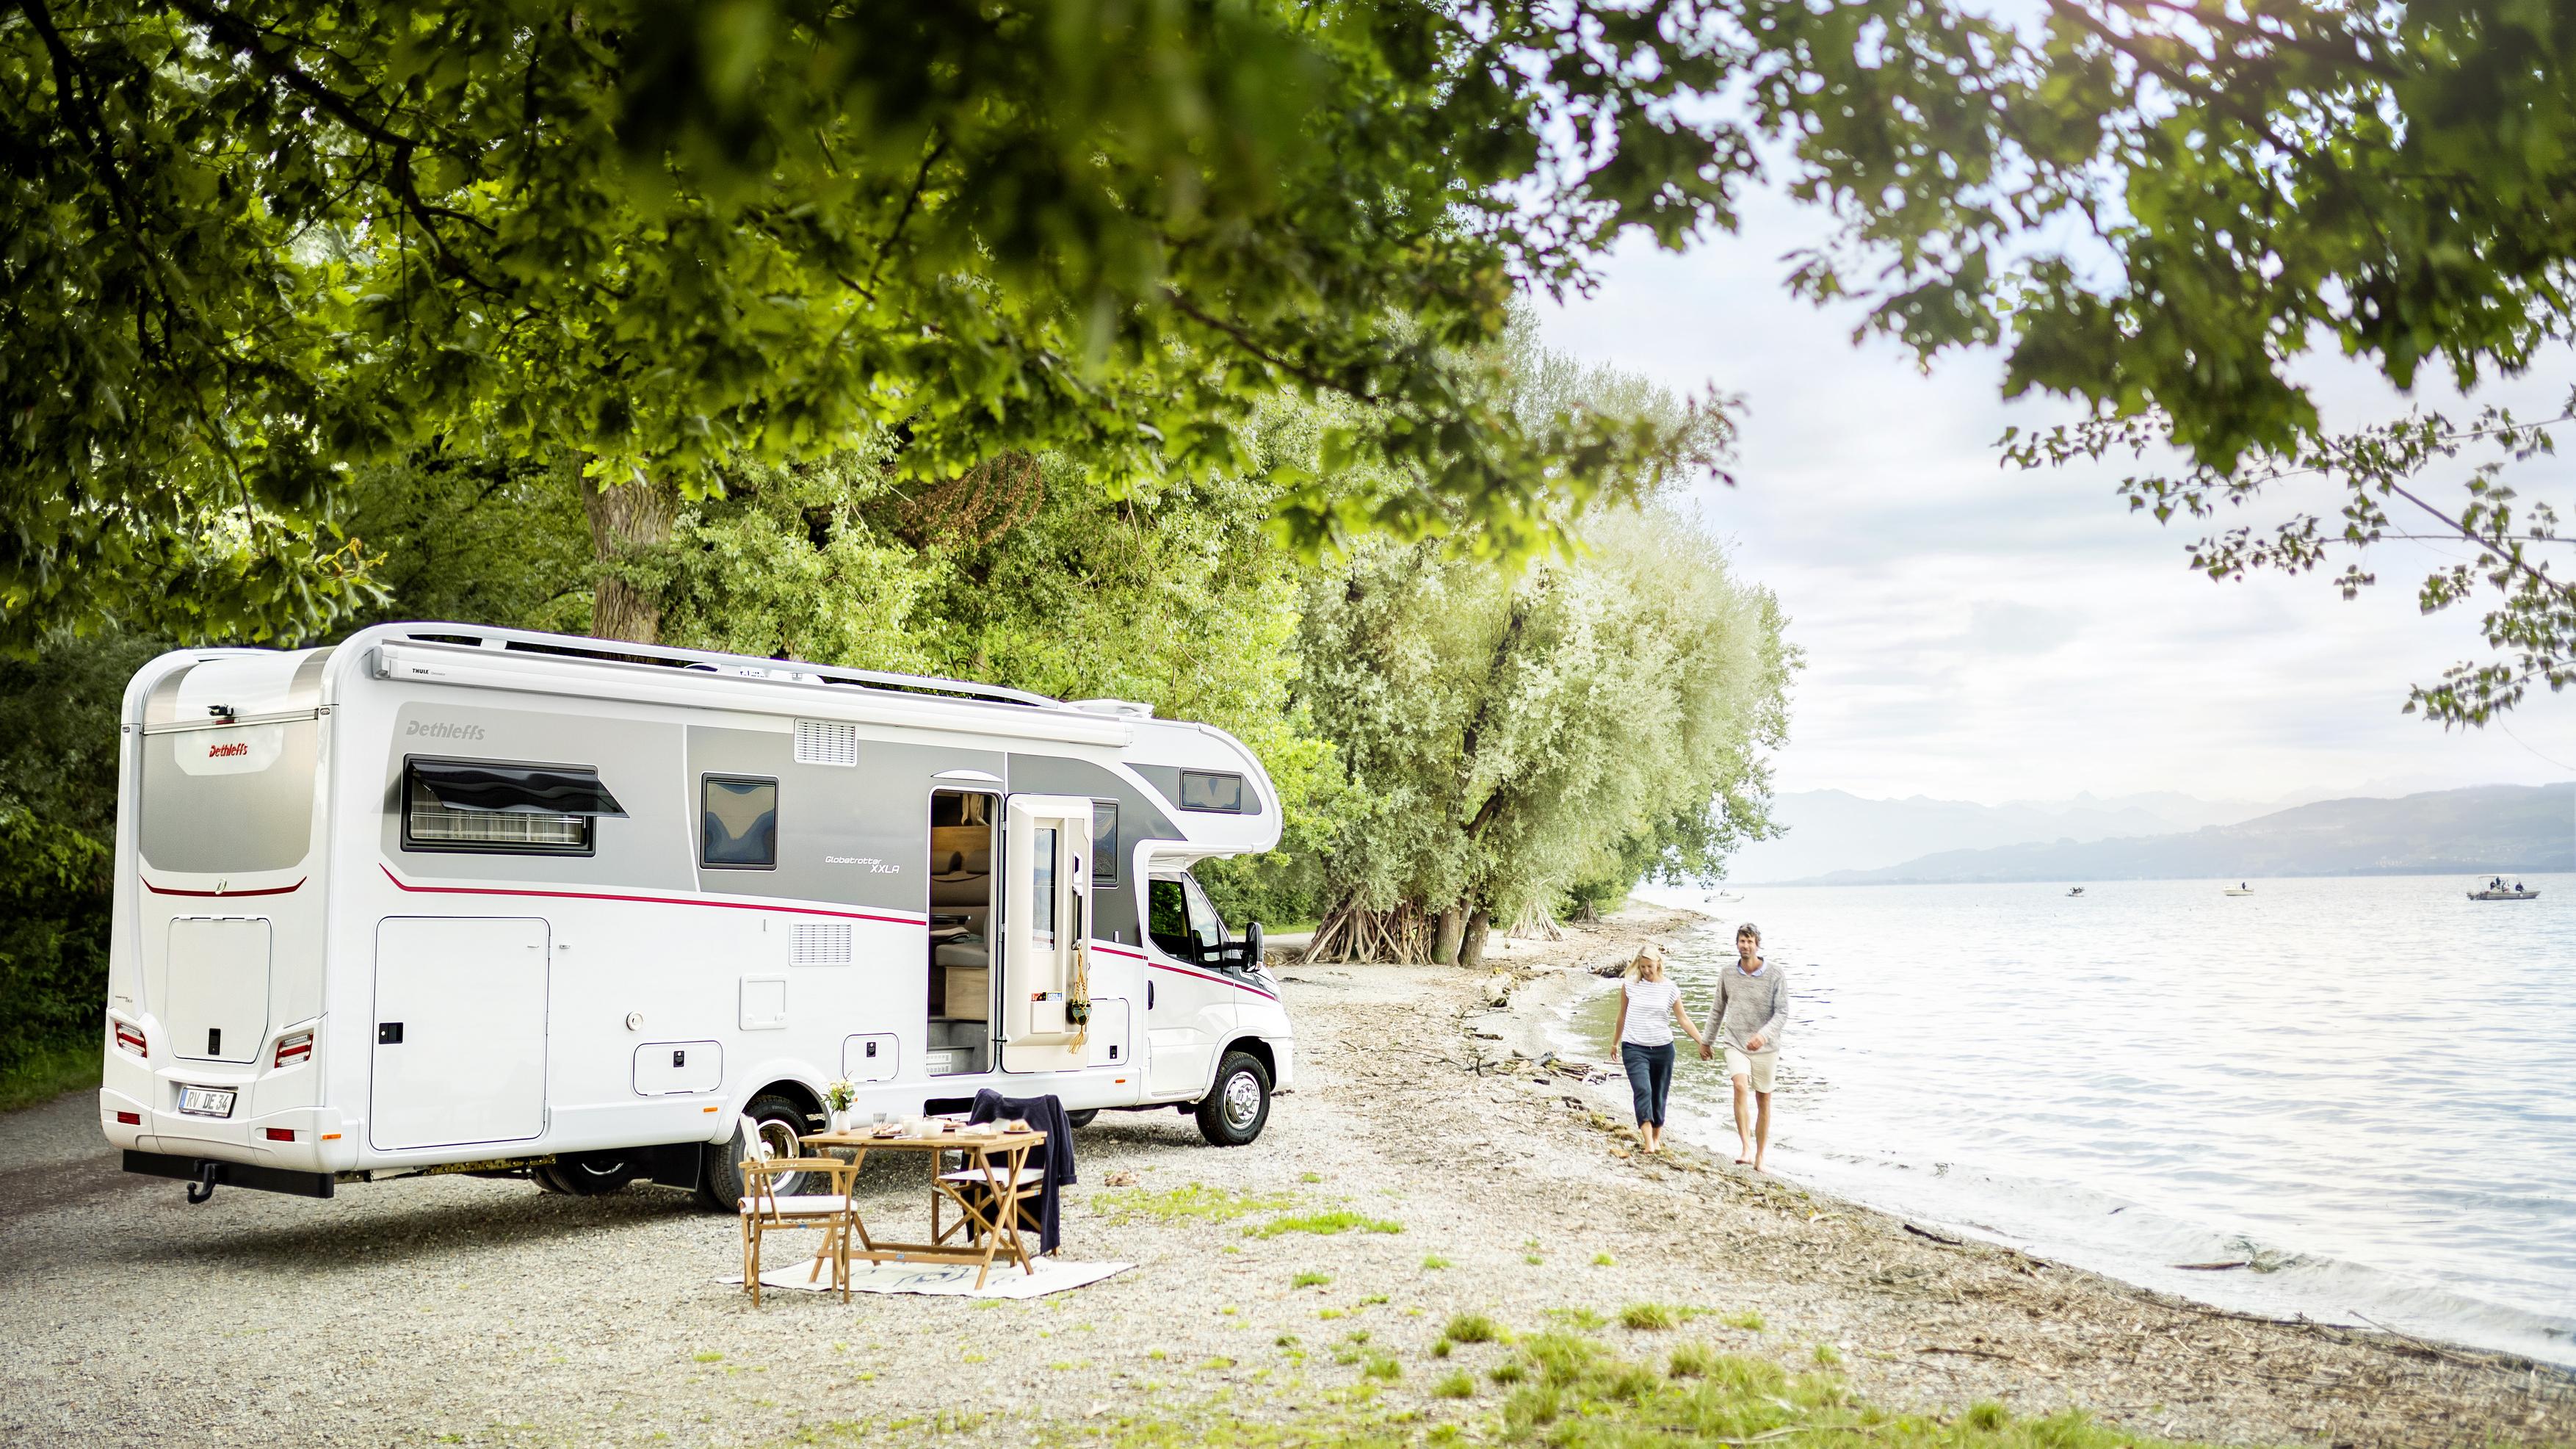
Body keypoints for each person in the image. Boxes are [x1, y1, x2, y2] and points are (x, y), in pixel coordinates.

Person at [1699, 922, 1790, 1171]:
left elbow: (1782, 1013)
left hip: (1766, 1048)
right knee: (1739, 1086)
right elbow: (1718, 1009)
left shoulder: (1776, 974)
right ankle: (1746, 1148)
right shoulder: (1727, 973)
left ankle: (1761, 1155)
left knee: (1764, 1099)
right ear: (1737, 944)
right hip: (1735, 1042)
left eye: (1750, 941)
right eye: (1742, 941)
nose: (1745, 945)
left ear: (1758, 945)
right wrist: (1707, 1041)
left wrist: (1764, 1035)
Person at [1612, 944, 1704, 1154]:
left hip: (1663, 1049)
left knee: (1659, 1094)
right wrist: (1615, 1042)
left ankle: (1656, 1137)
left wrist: (1701, 1041)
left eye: (1650, 966)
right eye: (1642, 967)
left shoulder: (1670, 988)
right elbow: (1622, 1016)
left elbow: (1683, 1019)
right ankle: (1648, 1142)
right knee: (1643, 1090)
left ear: (1658, 964)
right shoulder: (1629, 986)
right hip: (1634, 1047)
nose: (1646, 971)